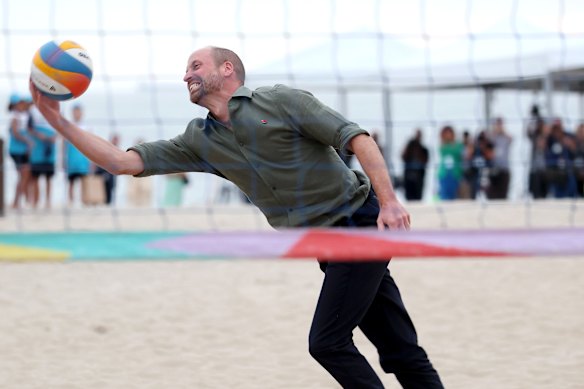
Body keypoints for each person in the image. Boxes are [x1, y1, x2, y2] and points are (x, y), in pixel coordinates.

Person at [30, 46, 443, 388]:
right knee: (397, 346)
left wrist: (390, 201)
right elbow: (121, 162)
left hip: (357, 221)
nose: (186, 75)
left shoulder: (280, 101)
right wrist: (54, 119)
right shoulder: (199, 140)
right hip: (323, 244)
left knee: (328, 343)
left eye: (195, 66)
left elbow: (356, 137)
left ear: (227, 69)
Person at [28, 101, 57, 209]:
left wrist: (54, 137)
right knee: (36, 177)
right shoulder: (32, 110)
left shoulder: (54, 107)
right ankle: (36, 202)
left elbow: (61, 126)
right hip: (37, 150)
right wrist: (39, 135)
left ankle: (48, 202)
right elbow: (29, 128)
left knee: (48, 178)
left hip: (50, 150)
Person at [7, 93, 33, 209]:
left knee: (24, 175)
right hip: (17, 150)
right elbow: (16, 133)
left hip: (21, 150)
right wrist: (28, 141)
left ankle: (20, 201)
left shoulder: (22, 115)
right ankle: (17, 201)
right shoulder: (14, 116)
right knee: (24, 174)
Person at [486, 117, 512, 200]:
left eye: (500, 124)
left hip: (504, 169)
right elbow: (487, 141)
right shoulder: (492, 137)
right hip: (494, 170)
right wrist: (495, 131)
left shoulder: (506, 137)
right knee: (493, 196)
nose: (499, 126)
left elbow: (511, 139)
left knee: (503, 196)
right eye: (497, 124)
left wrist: (502, 131)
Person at [437, 125, 464, 200]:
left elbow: (459, 153)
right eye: (446, 133)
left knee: (454, 195)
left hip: (455, 173)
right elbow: (443, 150)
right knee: (444, 194)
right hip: (444, 173)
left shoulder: (459, 145)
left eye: (449, 133)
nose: (448, 135)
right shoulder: (442, 145)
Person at [401, 128, 429, 201]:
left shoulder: (423, 149)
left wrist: (418, 151)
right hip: (409, 177)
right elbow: (403, 157)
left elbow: (425, 161)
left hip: (419, 178)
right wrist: (409, 145)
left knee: (418, 198)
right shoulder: (409, 148)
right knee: (409, 198)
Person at [94, 133, 120, 205]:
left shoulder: (118, 150)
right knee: (102, 192)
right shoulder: (107, 148)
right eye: (115, 140)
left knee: (109, 192)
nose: (116, 141)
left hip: (111, 175)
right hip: (104, 173)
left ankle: (108, 204)